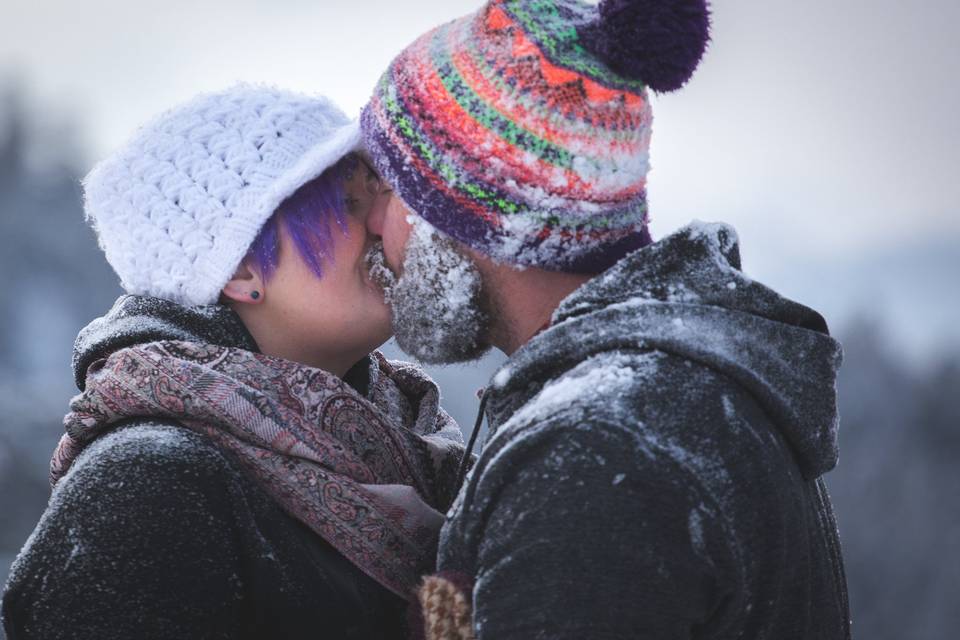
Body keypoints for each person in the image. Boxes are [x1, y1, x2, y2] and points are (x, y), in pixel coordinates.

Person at [359, 0, 851, 638]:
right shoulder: (680, 394)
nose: (372, 225)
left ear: (476, 209)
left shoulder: (595, 455)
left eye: (388, 189)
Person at [1, 85, 465, 639]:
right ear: (242, 269)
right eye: (348, 203)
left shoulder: (407, 441)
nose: (388, 222)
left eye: (383, 191)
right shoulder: (149, 485)